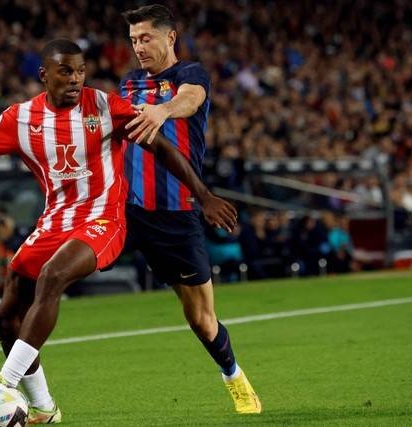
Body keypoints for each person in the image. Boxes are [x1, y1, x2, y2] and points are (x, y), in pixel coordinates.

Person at [0, 39, 236, 424]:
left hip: (104, 220)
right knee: (13, 309)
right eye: (66, 72)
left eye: (80, 71)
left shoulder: (105, 106)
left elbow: (160, 146)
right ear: (44, 75)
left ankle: (5, 382)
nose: (76, 79)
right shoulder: (21, 118)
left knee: (54, 275)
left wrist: (204, 195)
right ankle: (44, 407)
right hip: (56, 220)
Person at [115, 5, 261, 414]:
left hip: (175, 216)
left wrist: (162, 110)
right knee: (55, 267)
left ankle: (233, 375)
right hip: (124, 211)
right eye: (133, 40)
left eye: (145, 38)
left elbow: (191, 101)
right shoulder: (128, 84)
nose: (138, 47)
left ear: (170, 37)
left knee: (200, 318)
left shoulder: (189, 75)